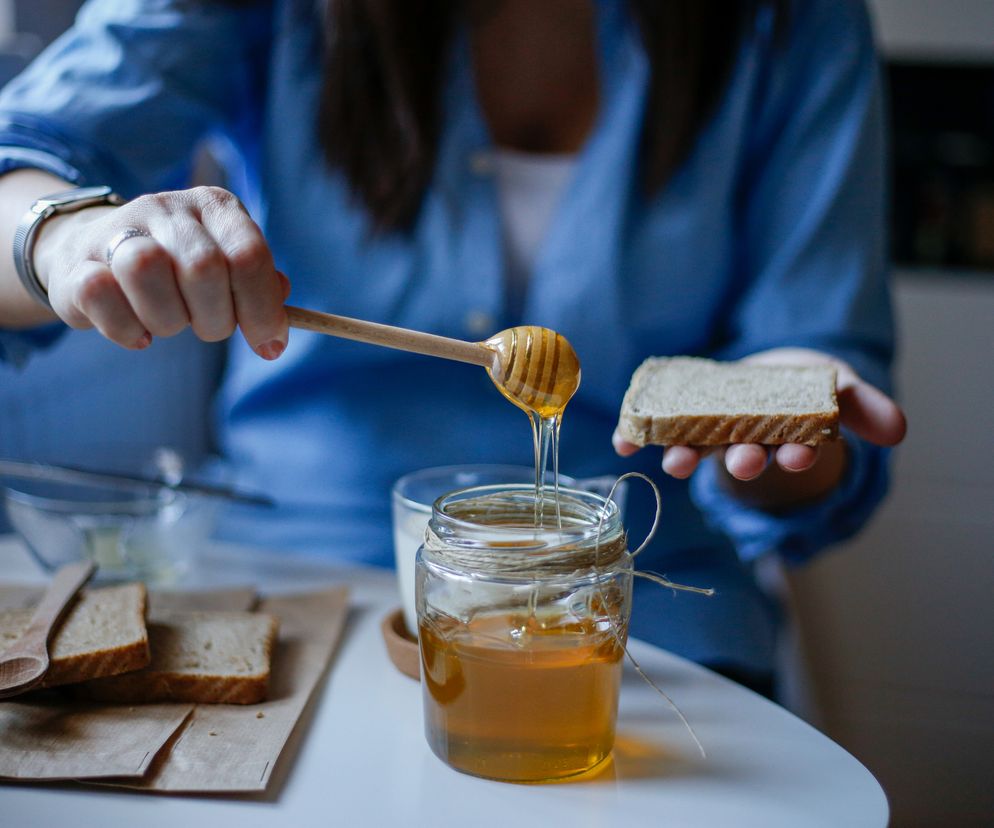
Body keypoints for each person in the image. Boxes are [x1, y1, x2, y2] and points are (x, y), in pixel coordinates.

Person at [0, 0, 905, 694]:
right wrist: (64, 237)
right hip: (305, 590)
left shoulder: (792, 23)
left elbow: (809, 362)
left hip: (651, 609)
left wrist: (786, 424)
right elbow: (23, 161)